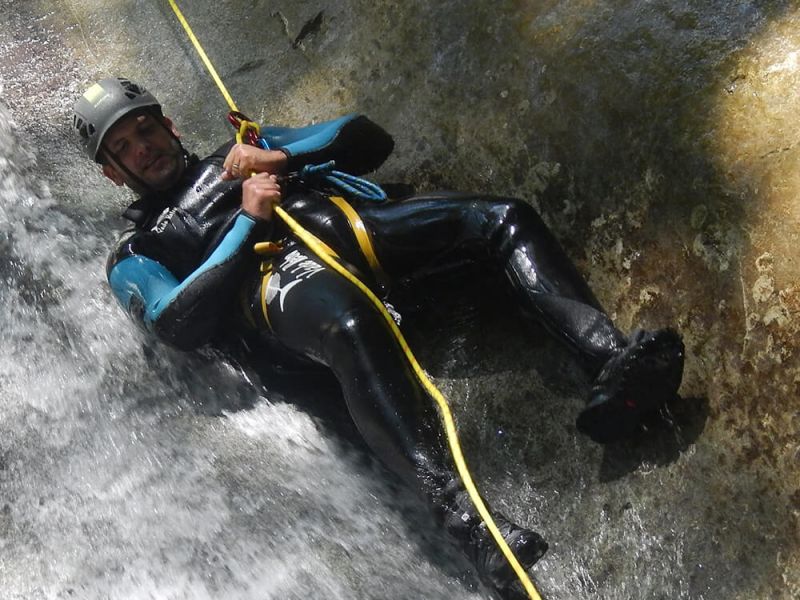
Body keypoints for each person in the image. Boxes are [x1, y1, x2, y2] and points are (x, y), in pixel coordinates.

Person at [72, 77, 684, 598]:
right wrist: (246, 223)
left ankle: (611, 366)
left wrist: (278, 160)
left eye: (145, 128)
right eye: (124, 147)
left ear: (168, 123)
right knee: (348, 322)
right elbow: (176, 321)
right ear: (110, 173)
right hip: (282, 295)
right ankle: (467, 523)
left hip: (360, 236)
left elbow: (366, 137)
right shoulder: (139, 250)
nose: (144, 147)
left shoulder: (242, 149)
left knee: (500, 218)